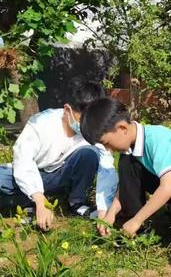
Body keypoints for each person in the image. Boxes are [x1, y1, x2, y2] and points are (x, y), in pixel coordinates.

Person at [80, 97, 171, 238]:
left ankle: (147, 223)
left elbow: (168, 188)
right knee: (126, 162)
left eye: (106, 143)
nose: (107, 149)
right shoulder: (130, 149)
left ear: (122, 128)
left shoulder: (156, 140)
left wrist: (137, 220)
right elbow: (126, 186)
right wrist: (111, 213)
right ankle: (132, 222)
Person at [0, 81, 118, 231]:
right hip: (34, 173)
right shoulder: (41, 123)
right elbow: (23, 162)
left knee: (89, 153)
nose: (87, 126)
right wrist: (40, 202)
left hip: (59, 175)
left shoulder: (93, 132)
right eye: (83, 120)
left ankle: (76, 202)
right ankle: (28, 203)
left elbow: (106, 168)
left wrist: (103, 212)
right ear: (67, 110)